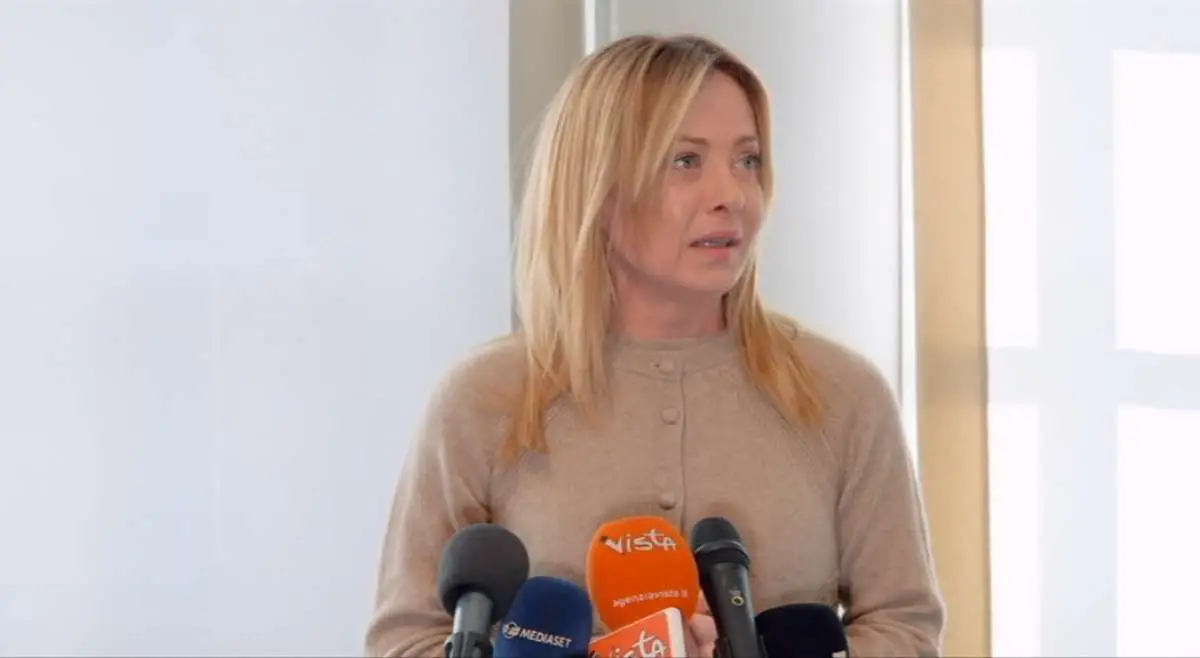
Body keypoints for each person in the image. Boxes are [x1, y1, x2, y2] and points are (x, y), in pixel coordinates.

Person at [365, 33, 945, 657]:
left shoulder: (845, 394)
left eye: (748, 160)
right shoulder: (482, 399)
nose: (732, 195)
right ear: (596, 185)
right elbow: (405, 640)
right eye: (685, 160)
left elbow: (905, 628)